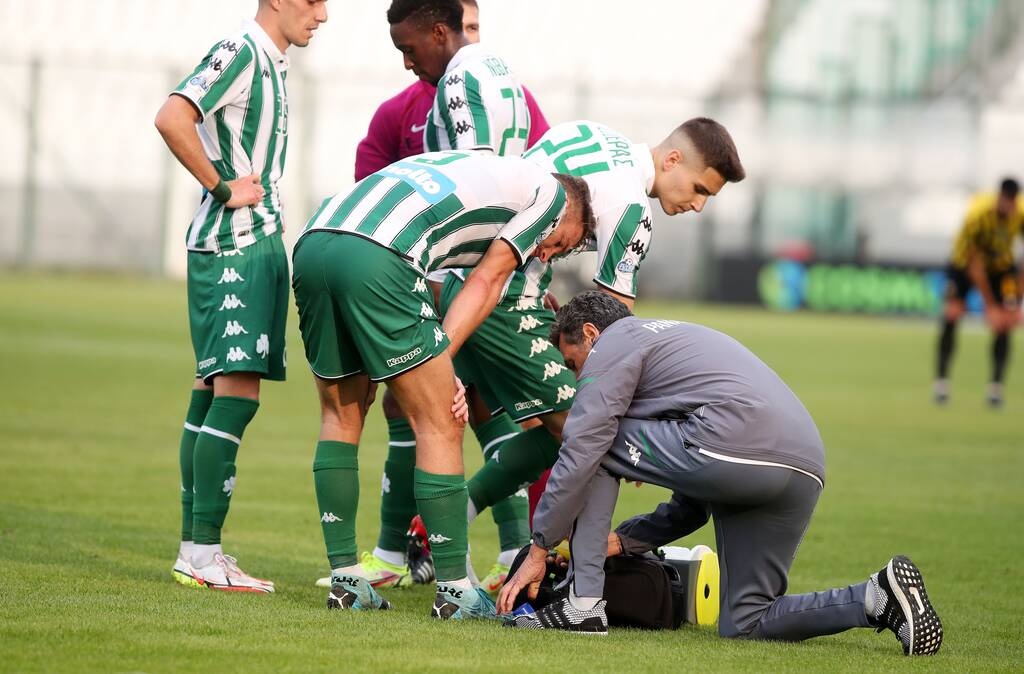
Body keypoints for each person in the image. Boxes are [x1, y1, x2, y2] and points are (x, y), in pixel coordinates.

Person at [499, 292, 944, 657]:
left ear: (591, 334)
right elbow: (693, 506)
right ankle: (876, 597)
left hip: (739, 444)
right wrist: (624, 541)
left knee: (595, 438)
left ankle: (583, 604)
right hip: (803, 465)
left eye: (574, 363)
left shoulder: (616, 342)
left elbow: (584, 445)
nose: (578, 376)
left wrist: (540, 547)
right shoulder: (671, 344)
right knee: (746, 621)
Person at [291, 150, 595, 619]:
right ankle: (456, 592)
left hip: (316, 238)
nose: (546, 253)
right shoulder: (551, 196)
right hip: (381, 252)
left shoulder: (481, 168)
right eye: (560, 243)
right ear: (566, 214)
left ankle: (346, 581)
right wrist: (441, 358)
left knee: (341, 414)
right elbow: (487, 280)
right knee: (442, 418)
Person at [321, 0, 552, 594]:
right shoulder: (401, 112)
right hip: (417, 266)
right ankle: (409, 560)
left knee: (477, 406)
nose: (469, 44)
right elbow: (376, 187)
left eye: (476, 30)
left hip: (456, 269)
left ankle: (499, 552)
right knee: (418, 410)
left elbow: (518, 189)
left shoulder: (497, 96)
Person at [459, 118, 746, 580]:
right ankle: (566, 572)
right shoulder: (632, 209)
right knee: (590, 430)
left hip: (461, 278)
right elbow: (616, 335)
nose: (698, 205)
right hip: (502, 299)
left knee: (555, 427)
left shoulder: (591, 135)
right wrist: (633, 424)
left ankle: (452, 526)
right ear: (672, 159)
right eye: (699, 189)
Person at [154, 0, 328, 593]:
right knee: (235, 396)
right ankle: (202, 553)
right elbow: (172, 117)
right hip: (235, 244)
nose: (323, 15)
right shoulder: (242, 51)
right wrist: (222, 186)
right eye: (314, 1)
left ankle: (196, 550)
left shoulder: (272, 60)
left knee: (211, 394)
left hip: (259, 242)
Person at [934, 178, 1024, 407]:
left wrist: (1017, 301)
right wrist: (990, 305)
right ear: (999, 197)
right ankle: (941, 383)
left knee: (1004, 322)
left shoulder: (1020, 214)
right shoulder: (978, 215)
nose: (1009, 206)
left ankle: (995, 387)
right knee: (952, 313)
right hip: (963, 265)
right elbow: (974, 266)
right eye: (1006, 201)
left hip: (1001, 267)